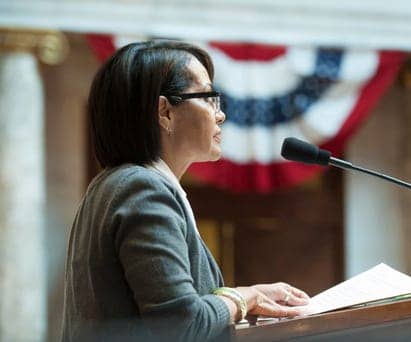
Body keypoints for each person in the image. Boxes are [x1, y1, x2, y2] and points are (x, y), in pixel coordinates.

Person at [61, 40, 310, 341]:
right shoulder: (143, 189)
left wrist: (249, 295)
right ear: (165, 111)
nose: (220, 115)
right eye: (209, 98)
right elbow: (182, 324)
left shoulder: (118, 184)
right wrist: (243, 299)